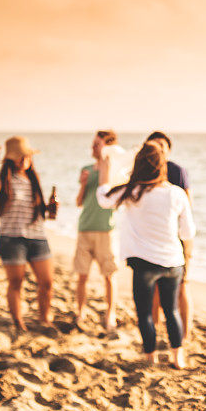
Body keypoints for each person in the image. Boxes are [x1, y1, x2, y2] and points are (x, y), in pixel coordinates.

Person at [96, 141, 195, 367]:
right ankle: (177, 356)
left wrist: (104, 172)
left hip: (143, 265)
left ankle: (150, 357)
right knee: (171, 311)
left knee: (145, 314)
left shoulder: (133, 191)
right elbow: (188, 231)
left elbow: (103, 199)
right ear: (163, 166)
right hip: (172, 262)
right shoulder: (176, 193)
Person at [0, 136, 55, 333]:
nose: (24, 160)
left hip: (38, 236)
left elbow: (37, 211)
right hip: (12, 238)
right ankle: (18, 322)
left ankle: (44, 319)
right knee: (16, 282)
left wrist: (49, 209)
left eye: (27, 156)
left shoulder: (33, 180)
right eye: (20, 156)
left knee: (47, 282)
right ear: (11, 159)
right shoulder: (4, 178)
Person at [146, 131, 194, 343]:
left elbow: (188, 208)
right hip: (152, 238)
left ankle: (185, 335)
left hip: (178, 238)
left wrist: (187, 242)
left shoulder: (177, 171)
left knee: (182, 285)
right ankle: (154, 332)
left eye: (161, 147)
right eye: (153, 146)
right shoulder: (143, 173)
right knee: (154, 287)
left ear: (167, 150)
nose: (157, 151)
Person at [74, 130, 121, 332]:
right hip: (85, 228)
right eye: (92, 144)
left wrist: (106, 167)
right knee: (82, 275)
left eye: (97, 144)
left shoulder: (114, 169)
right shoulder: (86, 168)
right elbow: (78, 202)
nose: (93, 148)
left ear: (106, 146)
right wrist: (84, 184)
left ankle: (110, 313)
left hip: (105, 230)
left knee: (109, 275)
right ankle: (80, 312)